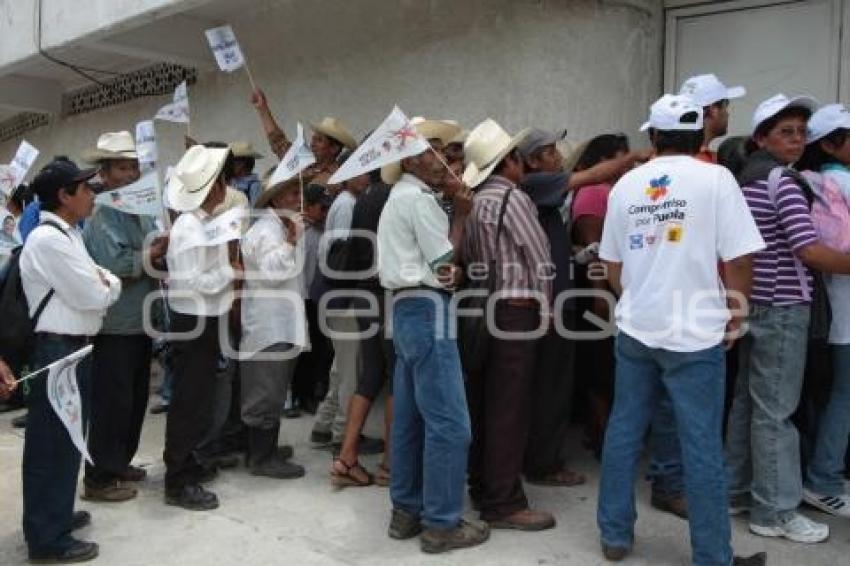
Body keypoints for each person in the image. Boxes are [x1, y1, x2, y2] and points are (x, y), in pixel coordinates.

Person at [596, 94, 766, 565]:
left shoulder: (626, 184)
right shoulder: (716, 180)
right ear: (699, 135)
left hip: (636, 328)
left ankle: (614, 535)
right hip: (695, 332)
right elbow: (739, 257)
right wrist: (737, 311)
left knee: (624, 430)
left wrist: (637, 295)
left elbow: (611, 265)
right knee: (701, 444)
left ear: (653, 136)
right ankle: (713, 555)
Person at [725, 94, 850, 543]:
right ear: (762, 138)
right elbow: (809, 250)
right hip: (783, 308)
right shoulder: (783, 181)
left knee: (748, 404)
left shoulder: (746, 179)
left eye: (800, 131)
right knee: (776, 412)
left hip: (752, 300)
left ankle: (735, 491)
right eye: (785, 132)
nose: (797, 140)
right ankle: (775, 512)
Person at [377, 131, 489, 554]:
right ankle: (441, 523)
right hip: (427, 309)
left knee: (410, 418)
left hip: (407, 310)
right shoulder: (418, 200)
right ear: (408, 164)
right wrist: (460, 216)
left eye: (438, 150)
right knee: (450, 423)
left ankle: (405, 510)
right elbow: (445, 267)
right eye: (427, 153)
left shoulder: (401, 198)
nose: (439, 157)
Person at [648, 74, 748, 520]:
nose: (728, 113)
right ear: (707, 113)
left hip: (692, 299)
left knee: (682, 403)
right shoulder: (699, 171)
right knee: (683, 405)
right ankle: (674, 483)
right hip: (687, 304)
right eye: (724, 105)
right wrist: (735, 308)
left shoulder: (708, 165)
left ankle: (676, 480)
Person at [20, 158, 122, 563]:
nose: (91, 194)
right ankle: (47, 537)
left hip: (73, 346)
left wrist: (103, 283)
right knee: (52, 444)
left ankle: (56, 513)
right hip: (56, 349)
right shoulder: (48, 240)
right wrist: (103, 285)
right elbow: (96, 294)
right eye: (84, 188)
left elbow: (104, 279)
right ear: (64, 196)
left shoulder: (68, 234)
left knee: (69, 439)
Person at [462, 119, 555, 531]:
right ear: (510, 161)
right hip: (516, 310)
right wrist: (549, 310)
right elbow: (539, 257)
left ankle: (483, 485)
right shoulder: (513, 199)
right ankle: (504, 501)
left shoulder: (475, 200)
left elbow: (468, 257)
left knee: (484, 402)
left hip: (483, 309)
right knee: (510, 407)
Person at [81, 131, 167, 502]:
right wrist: (153, 257)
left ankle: (119, 463)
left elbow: (151, 248)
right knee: (111, 403)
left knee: (132, 401)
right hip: (115, 324)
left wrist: (157, 251)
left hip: (141, 319)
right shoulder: (102, 212)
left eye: (133, 166)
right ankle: (99, 477)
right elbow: (114, 264)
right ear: (105, 172)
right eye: (121, 167)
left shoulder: (141, 209)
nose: (130, 173)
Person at [162, 145, 236, 511]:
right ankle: (178, 479)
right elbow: (192, 280)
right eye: (222, 181)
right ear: (213, 187)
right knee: (190, 401)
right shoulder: (190, 228)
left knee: (199, 397)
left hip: (203, 318)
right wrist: (230, 274)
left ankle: (187, 463)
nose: (226, 187)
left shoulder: (202, 223)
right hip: (193, 320)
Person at [797, 103, 850, 516]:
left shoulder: (809, 181)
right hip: (844, 308)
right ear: (831, 145)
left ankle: (820, 472)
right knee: (843, 395)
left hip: (823, 308)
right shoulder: (841, 183)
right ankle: (825, 478)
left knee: (825, 393)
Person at [309, 160, 381, 455]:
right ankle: (342, 435)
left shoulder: (344, 201)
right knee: (351, 371)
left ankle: (323, 425)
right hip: (343, 297)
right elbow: (343, 257)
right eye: (362, 172)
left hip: (335, 295)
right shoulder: (348, 204)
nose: (366, 178)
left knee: (341, 367)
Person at [239, 176, 308, 479]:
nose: (299, 200)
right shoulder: (266, 232)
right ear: (276, 199)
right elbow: (271, 273)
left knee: (274, 388)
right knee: (265, 391)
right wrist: (292, 241)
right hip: (270, 326)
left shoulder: (277, 228)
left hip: (280, 322)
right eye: (294, 194)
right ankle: (261, 457)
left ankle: (264, 450)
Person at [570, 133, 631, 458]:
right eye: (620, 156)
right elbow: (594, 252)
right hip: (600, 292)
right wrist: (600, 296)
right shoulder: (594, 193)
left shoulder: (612, 191)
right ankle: (602, 437)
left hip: (610, 289)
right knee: (601, 367)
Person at [250, 88, 356, 184]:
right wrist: (262, 109)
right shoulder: (303, 162)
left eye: (319, 140)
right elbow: (278, 142)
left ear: (334, 148)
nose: (312, 144)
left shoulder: (340, 177)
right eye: (313, 139)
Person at [290, 184, 334, 415]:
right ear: (308, 207)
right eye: (321, 208)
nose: (325, 213)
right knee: (307, 351)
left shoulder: (324, 230)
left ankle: (314, 391)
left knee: (320, 348)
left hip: (319, 296)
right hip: (302, 297)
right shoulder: (298, 231)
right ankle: (302, 395)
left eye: (328, 208)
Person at [679, 73, 746, 163]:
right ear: (713, 110)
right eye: (726, 105)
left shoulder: (662, 156)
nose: (727, 113)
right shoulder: (706, 164)